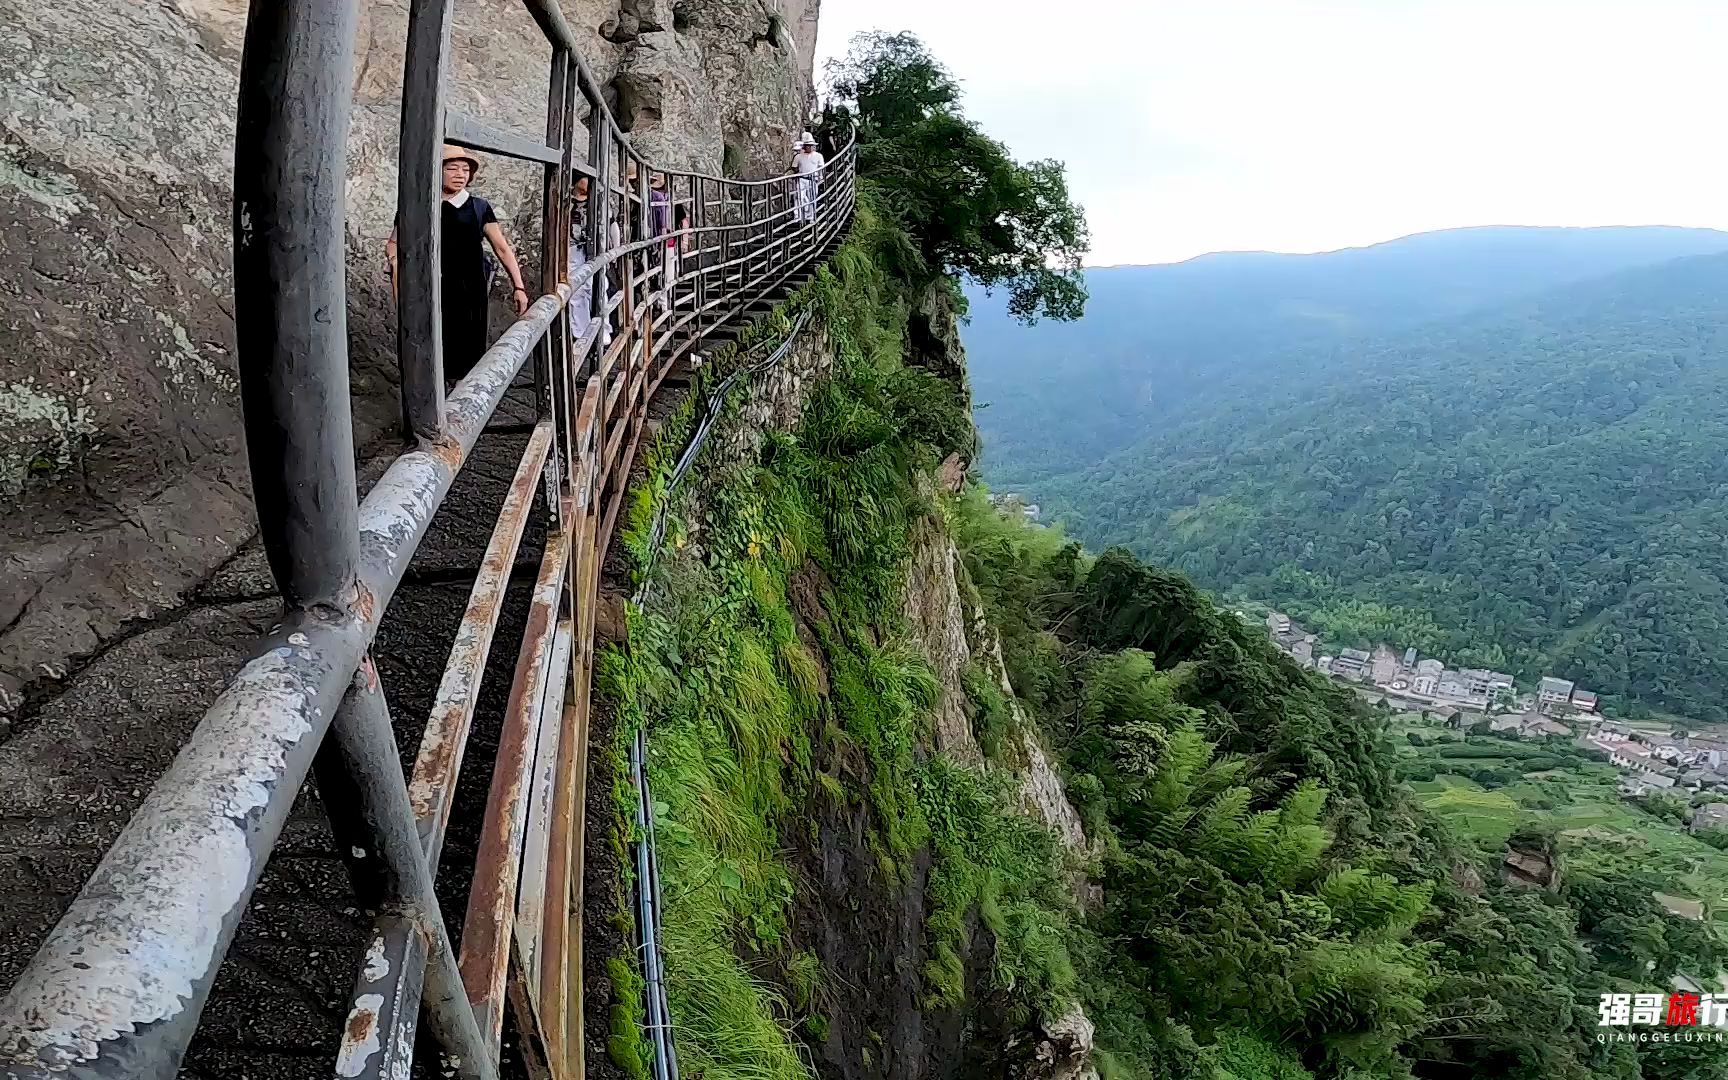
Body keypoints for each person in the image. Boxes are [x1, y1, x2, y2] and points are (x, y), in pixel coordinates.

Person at [385, 145, 531, 386]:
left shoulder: (479, 207)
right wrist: (395, 261)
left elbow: (501, 247)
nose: (460, 174)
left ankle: (464, 405)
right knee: (429, 347)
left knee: (468, 350)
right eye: (452, 168)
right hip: (428, 288)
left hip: (469, 290)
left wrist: (519, 286)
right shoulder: (417, 205)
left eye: (465, 170)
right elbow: (393, 243)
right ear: (436, 171)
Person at [791, 132, 824, 224]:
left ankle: (810, 216)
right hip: (802, 178)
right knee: (799, 197)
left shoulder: (818, 156)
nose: (809, 147)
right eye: (807, 145)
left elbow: (821, 167)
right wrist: (797, 172)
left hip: (813, 179)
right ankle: (797, 216)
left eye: (810, 145)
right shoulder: (798, 156)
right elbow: (794, 166)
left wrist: (820, 177)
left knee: (812, 198)